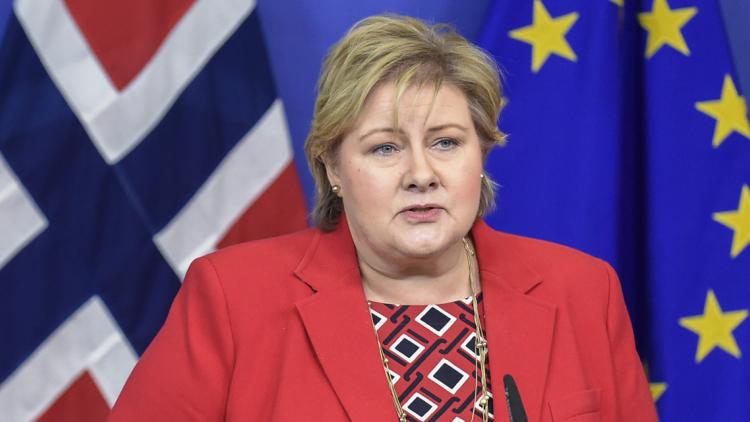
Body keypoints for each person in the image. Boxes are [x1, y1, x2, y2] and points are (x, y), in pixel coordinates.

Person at [108, 15, 658, 422]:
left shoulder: (583, 291)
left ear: (482, 153)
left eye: (446, 142)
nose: (421, 174)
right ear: (333, 167)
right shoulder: (233, 299)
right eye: (385, 149)